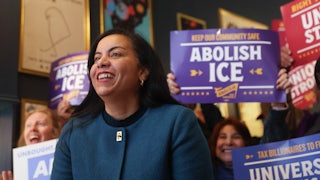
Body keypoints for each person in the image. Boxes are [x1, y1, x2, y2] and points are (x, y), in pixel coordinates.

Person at [51, 28, 214, 179]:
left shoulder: (177, 122)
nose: (101, 62)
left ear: (142, 71)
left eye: (115, 54)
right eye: (97, 58)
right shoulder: (73, 132)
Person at [1, 107, 61, 180]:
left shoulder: (67, 165)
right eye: (28, 125)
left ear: (54, 132)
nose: (33, 129)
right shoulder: (18, 173)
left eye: (40, 124)